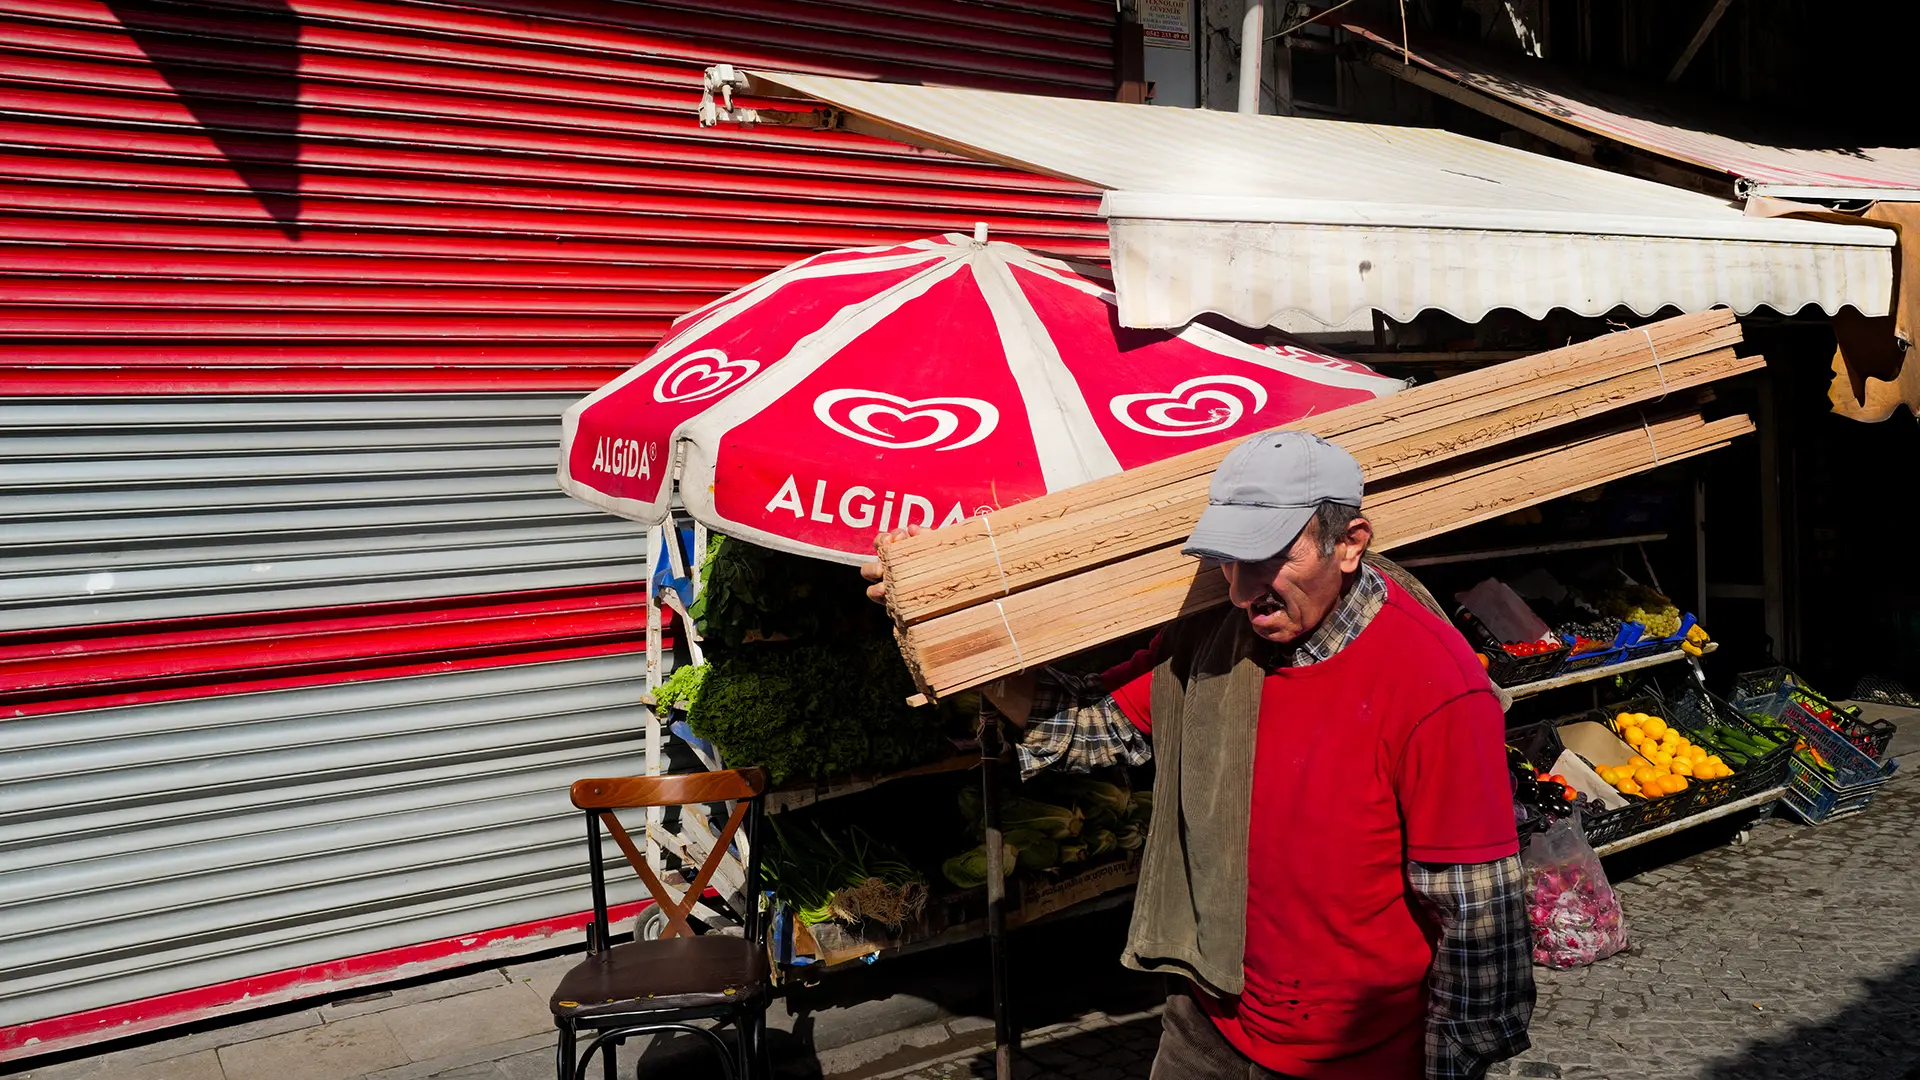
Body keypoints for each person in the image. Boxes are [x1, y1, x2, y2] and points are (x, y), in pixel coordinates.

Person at [863, 432, 1533, 1080]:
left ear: (1350, 543)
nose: (1242, 590)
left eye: (1268, 557)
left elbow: (1478, 913)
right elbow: (1092, 727)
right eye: (1226, 560)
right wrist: (953, 632)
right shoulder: (1216, 638)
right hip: (1210, 1019)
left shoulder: (1435, 686)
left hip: (1357, 1051)